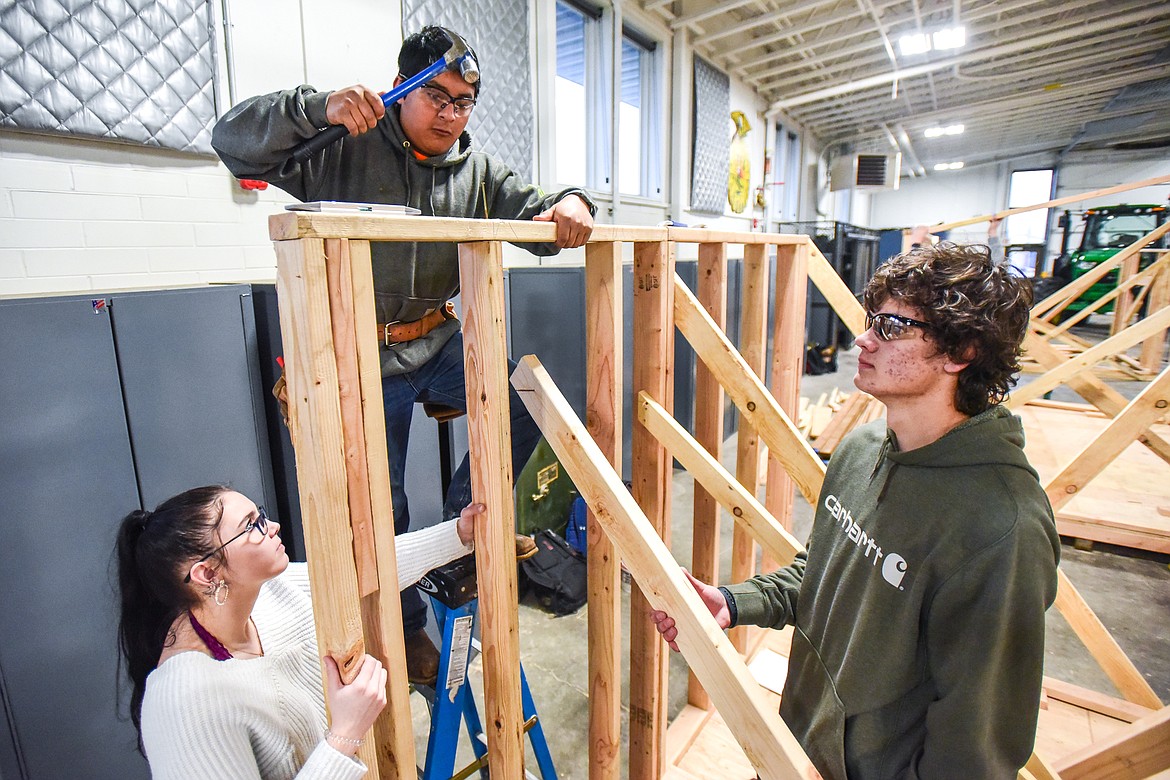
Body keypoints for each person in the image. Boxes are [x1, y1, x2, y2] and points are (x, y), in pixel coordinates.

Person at [211, 25, 596, 684]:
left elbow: (542, 217)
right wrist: (315, 107)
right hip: (359, 350)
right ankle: (409, 627)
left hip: (436, 338)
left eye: (464, 102)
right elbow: (232, 142)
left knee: (529, 401)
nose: (451, 114)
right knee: (380, 504)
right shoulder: (342, 145)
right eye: (436, 97)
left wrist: (574, 204)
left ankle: (457, 537)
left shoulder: (476, 171)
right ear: (399, 89)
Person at [651, 242, 1060, 779]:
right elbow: (823, 571)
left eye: (892, 328)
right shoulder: (863, 448)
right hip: (794, 746)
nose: (863, 340)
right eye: (873, 321)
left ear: (961, 352)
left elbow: (973, 753)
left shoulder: (1002, 531)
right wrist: (732, 603)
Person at [116, 485, 485, 778]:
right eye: (252, 526)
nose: (271, 526)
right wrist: (344, 736)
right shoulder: (183, 702)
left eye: (259, 514)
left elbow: (361, 574)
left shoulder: (269, 594)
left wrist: (457, 534)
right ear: (207, 575)